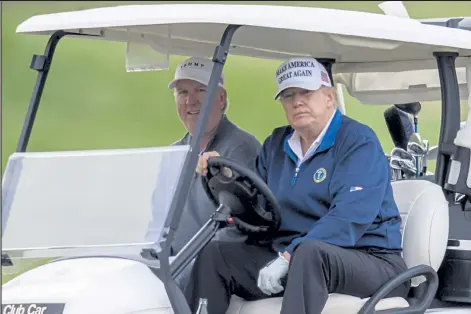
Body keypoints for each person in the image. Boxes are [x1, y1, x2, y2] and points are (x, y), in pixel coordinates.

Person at [184, 57, 410, 314]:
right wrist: (226, 177)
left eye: (306, 92)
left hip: (370, 258)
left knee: (310, 253)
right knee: (216, 256)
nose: (297, 101)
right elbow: (259, 207)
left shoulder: (358, 142)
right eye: (288, 95)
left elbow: (348, 219)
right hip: (294, 256)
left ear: (329, 98)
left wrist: (289, 256)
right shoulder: (276, 144)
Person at [144, 56, 262, 284]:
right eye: (182, 93)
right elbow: (157, 223)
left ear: (220, 98)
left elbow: (241, 227)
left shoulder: (240, 147)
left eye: (200, 91)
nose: (191, 101)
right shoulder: (174, 153)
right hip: (173, 265)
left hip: (214, 268)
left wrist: (187, 267)